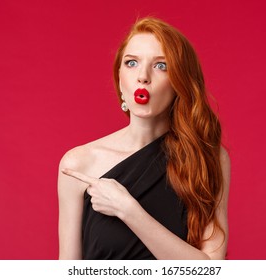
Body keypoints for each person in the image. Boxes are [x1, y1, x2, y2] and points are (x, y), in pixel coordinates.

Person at [58, 17, 231, 260]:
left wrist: (128, 210)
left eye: (161, 66)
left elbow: (211, 269)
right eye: (131, 63)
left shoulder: (207, 157)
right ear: (120, 80)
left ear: (180, 82)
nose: (143, 76)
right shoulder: (77, 164)